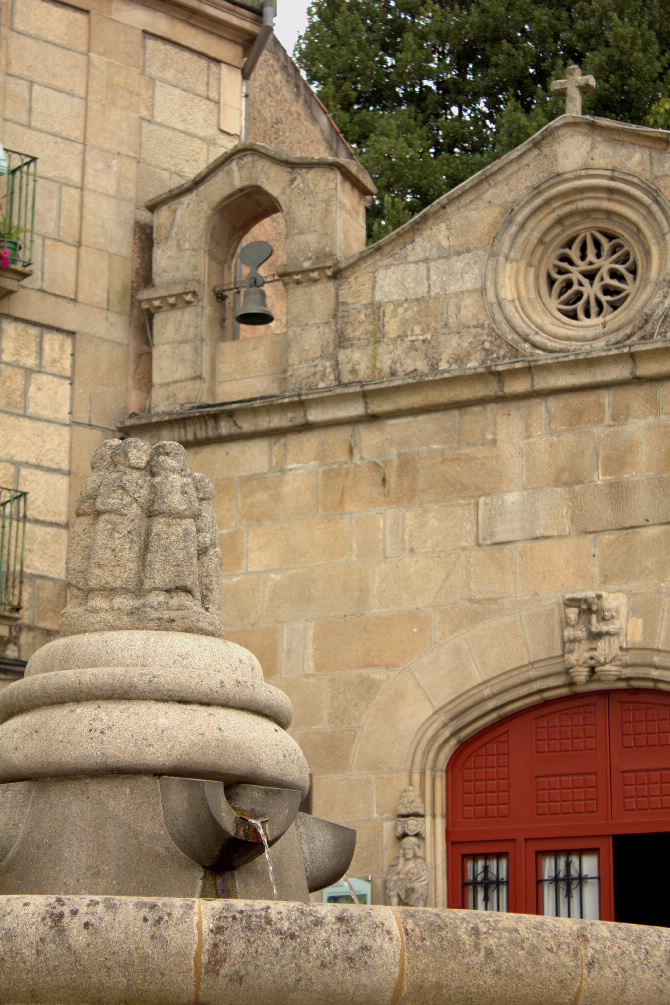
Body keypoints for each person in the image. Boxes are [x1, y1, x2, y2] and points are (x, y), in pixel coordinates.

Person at [384, 836, 429, 907]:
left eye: (409, 849)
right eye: (405, 850)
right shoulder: (398, 862)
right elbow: (390, 876)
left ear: (414, 850)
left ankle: (417, 912)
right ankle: (394, 909)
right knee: (392, 885)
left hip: (413, 886)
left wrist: (412, 883)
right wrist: (395, 878)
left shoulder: (419, 863)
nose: (407, 852)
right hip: (400, 885)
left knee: (419, 890)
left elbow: (423, 878)